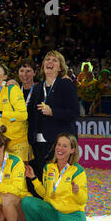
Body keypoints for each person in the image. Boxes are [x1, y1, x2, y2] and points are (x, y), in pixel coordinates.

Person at [22, 133, 90, 221]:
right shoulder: (49, 167)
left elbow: (82, 201)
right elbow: (46, 194)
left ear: (72, 150)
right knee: (27, 202)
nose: (60, 148)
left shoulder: (77, 171)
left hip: (72, 216)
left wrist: (77, 191)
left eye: (65, 146)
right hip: (53, 213)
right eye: (58, 145)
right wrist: (33, 179)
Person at [27, 50, 80, 179]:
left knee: (57, 181)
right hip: (38, 143)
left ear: (60, 68)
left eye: (54, 60)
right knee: (40, 179)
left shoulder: (65, 84)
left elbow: (74, 112)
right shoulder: (38, 87)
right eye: (47, 59)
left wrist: (53, 112)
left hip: (58, 142)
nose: (50, 62)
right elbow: (30, 113)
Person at [0, 64, 30, 162]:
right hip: (0, 144)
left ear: (5, 77)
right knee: (2, 175)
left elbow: (23, 115)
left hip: (18, 142)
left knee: (18, 174)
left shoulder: (12, 89)